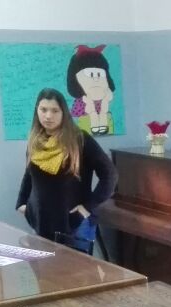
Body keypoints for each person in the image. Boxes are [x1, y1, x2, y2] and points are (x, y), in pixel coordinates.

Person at [16, 88, 116, 243]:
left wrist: (86, 208)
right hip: (41, 224)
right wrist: (22, 203)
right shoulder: (36, 140)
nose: (48, 116)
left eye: (55, 111)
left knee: (76, 261)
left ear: (64, 113)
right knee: (45, 260)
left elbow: (110, 175)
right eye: (43, 110)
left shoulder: (79, 139)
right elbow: (29, 174)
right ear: (37, 111)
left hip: (74, 225)